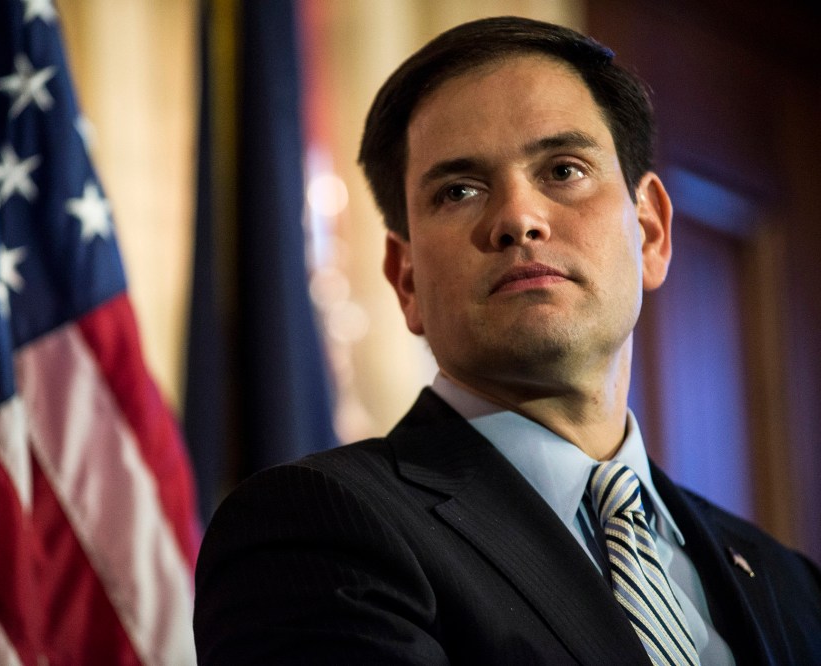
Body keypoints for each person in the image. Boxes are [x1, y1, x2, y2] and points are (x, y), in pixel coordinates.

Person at [192, 16, 821, 664]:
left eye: (564, 170)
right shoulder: (310, 531)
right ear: (405, 279)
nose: (518, 218)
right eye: (459, 190)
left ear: (652, 233)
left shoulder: (793, 587)